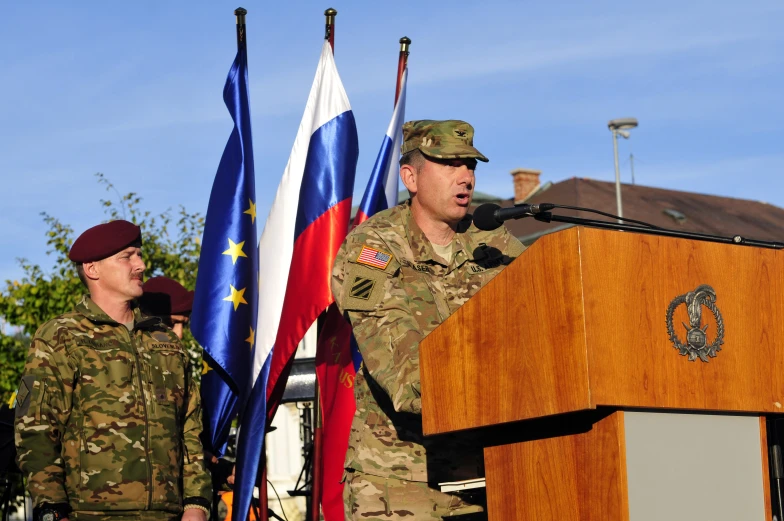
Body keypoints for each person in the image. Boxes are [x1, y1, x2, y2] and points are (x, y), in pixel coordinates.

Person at [332, 120, 526, 519]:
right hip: (400, 483)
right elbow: (401, 368)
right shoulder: (371, 248)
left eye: (470, 165)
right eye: (450, 165)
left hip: (493, 475)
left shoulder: (495, 242)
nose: (466, 177)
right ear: (411, 177)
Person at [15, 220, 211, 521]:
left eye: (140, 255)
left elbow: (191, 428)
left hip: (171, 514)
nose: (141, 265)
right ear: (93, 269)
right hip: (89, 513)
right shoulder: (60, 336)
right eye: (127, 256)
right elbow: (35, 429)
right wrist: (52, 509)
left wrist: (197, 505)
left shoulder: (166, 341)